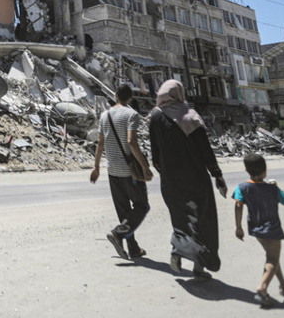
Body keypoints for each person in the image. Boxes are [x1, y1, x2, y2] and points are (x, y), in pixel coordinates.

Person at [148, 79, 227, 280]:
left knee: (180, 218)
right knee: (202, 219)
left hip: (170, 178)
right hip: (196, 177)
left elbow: (154, 153)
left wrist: (165, 172)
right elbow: (205, 150)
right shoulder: (189, 116)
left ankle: (178, 250)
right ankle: (200, 268)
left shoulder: (156, 116)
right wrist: (217, 175)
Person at [89, 84, 154, 260]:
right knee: (141, 206)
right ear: (130, 98)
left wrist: (96, 167)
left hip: (112, 171)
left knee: (124, 211)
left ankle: (133, 248)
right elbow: (131, 142)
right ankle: (118, 234)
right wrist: (145, 167)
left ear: (116, 95)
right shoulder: (132, 114)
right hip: (130, 172)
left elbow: (100, 143)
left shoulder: (104, 115)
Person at [233, 153, 284, 308]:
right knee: (272, 259)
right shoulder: (272, 189)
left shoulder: (242, 187)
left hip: (256, 230)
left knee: (272, 258)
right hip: (272, 230)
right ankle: (262, 288)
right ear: (265, 171)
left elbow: (238, 205)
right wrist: (275, 188)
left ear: (246, 169)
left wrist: (238, 227)